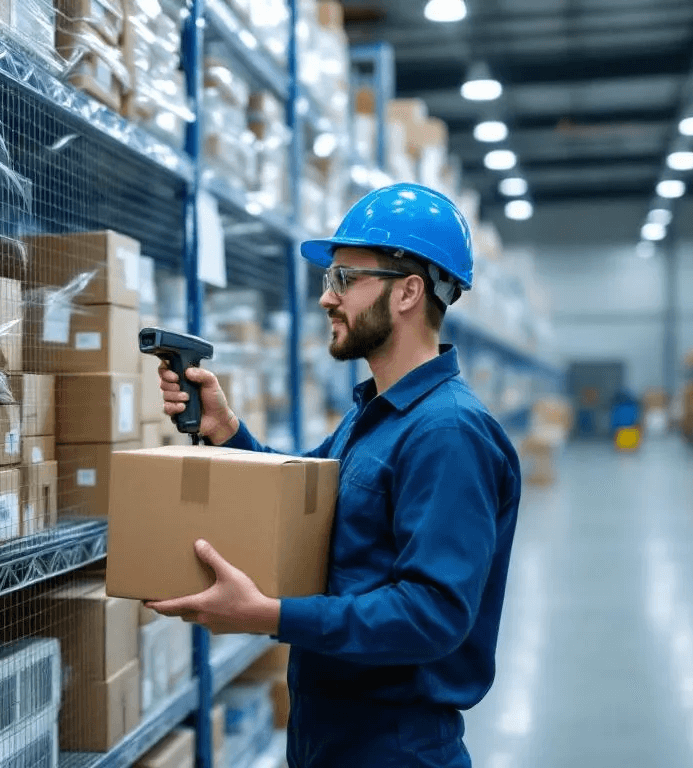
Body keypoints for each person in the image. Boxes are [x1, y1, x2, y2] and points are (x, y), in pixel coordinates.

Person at [146, 183, 522, 768]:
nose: (326, 297)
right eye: (329, 280)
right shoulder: (374, 415)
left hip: (395, 746)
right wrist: (227, 430)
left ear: (408, 293)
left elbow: (434, 613)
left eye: (344, 279)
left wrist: (271, 615)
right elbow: (303, 499)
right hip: (331, 734)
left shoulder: (448, 433)